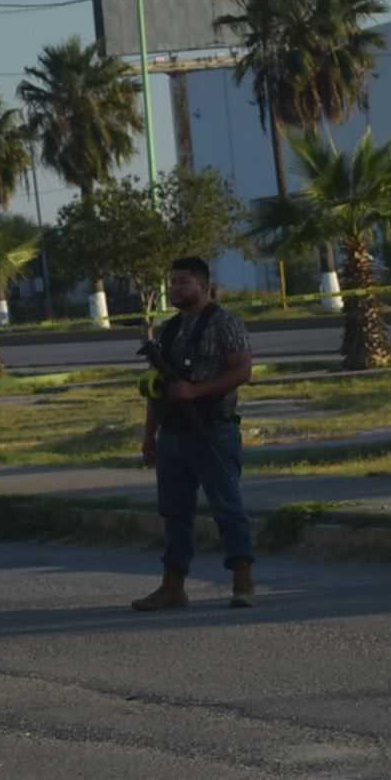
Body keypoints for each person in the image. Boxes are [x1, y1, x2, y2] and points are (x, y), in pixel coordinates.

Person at [133, 255, 257, 612]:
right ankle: (173, 586)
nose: (176, 288)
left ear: (203, 285)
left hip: (213, 430)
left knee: (227, 507)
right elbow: (159, 389)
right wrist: (149, 435)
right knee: (174, 513)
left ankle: (242, 581)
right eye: (172, 282)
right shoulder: (168, 330)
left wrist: (196, 391)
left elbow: (242, 370)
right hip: (173, 435)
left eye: (183, 282)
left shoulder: (225, 322)